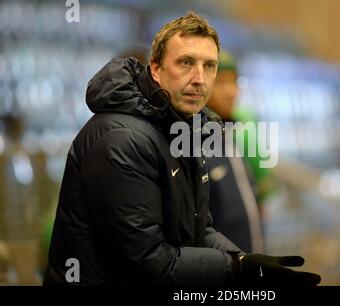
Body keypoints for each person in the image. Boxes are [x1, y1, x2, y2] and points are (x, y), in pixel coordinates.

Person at [44, 12, 320, 287]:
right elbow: (146, 261)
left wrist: (245, 261)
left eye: (209, 66)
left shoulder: (184, 128)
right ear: (155, 68)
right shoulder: (122, 138)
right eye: (186, 63)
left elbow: (199, 230)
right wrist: (233, 268)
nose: (199, 78)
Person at [207, 51, 276, 253]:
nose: (231, 92)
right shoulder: (193, 145)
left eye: (234, 82)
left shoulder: (231, 136)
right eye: (221, 83)